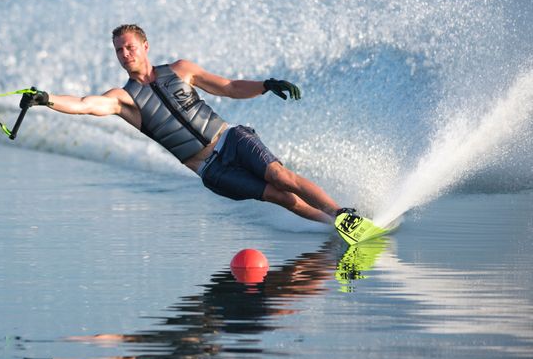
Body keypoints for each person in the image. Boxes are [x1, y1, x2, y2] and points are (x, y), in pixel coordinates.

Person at [21, 24, 352, 224]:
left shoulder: (181, 69)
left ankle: (341, 215)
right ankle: (331, 225)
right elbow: (83, 105)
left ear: (145, 47)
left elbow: (229, 87)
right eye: (119, 51)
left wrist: (265, 85)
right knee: (281, 197)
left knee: (282, 176)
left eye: (130, 47)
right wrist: (46, 99)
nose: (124, 54)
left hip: (231, 139)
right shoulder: (124, 98)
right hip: (211, 170)